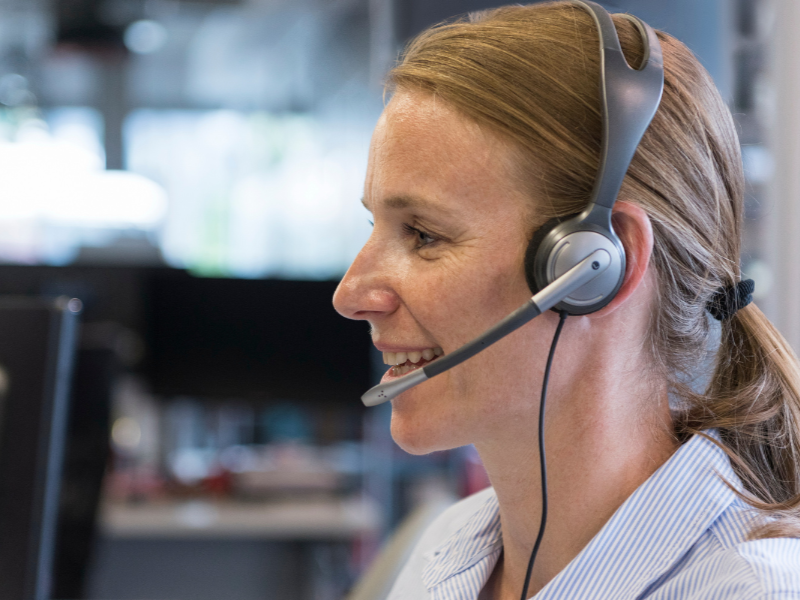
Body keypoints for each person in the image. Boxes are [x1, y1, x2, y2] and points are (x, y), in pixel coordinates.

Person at [333, 2, 800, 598]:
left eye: (424, 235)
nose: (351, 295)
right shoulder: (444, 553)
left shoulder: (754, 590)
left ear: (594, 265)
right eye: (375, 225)